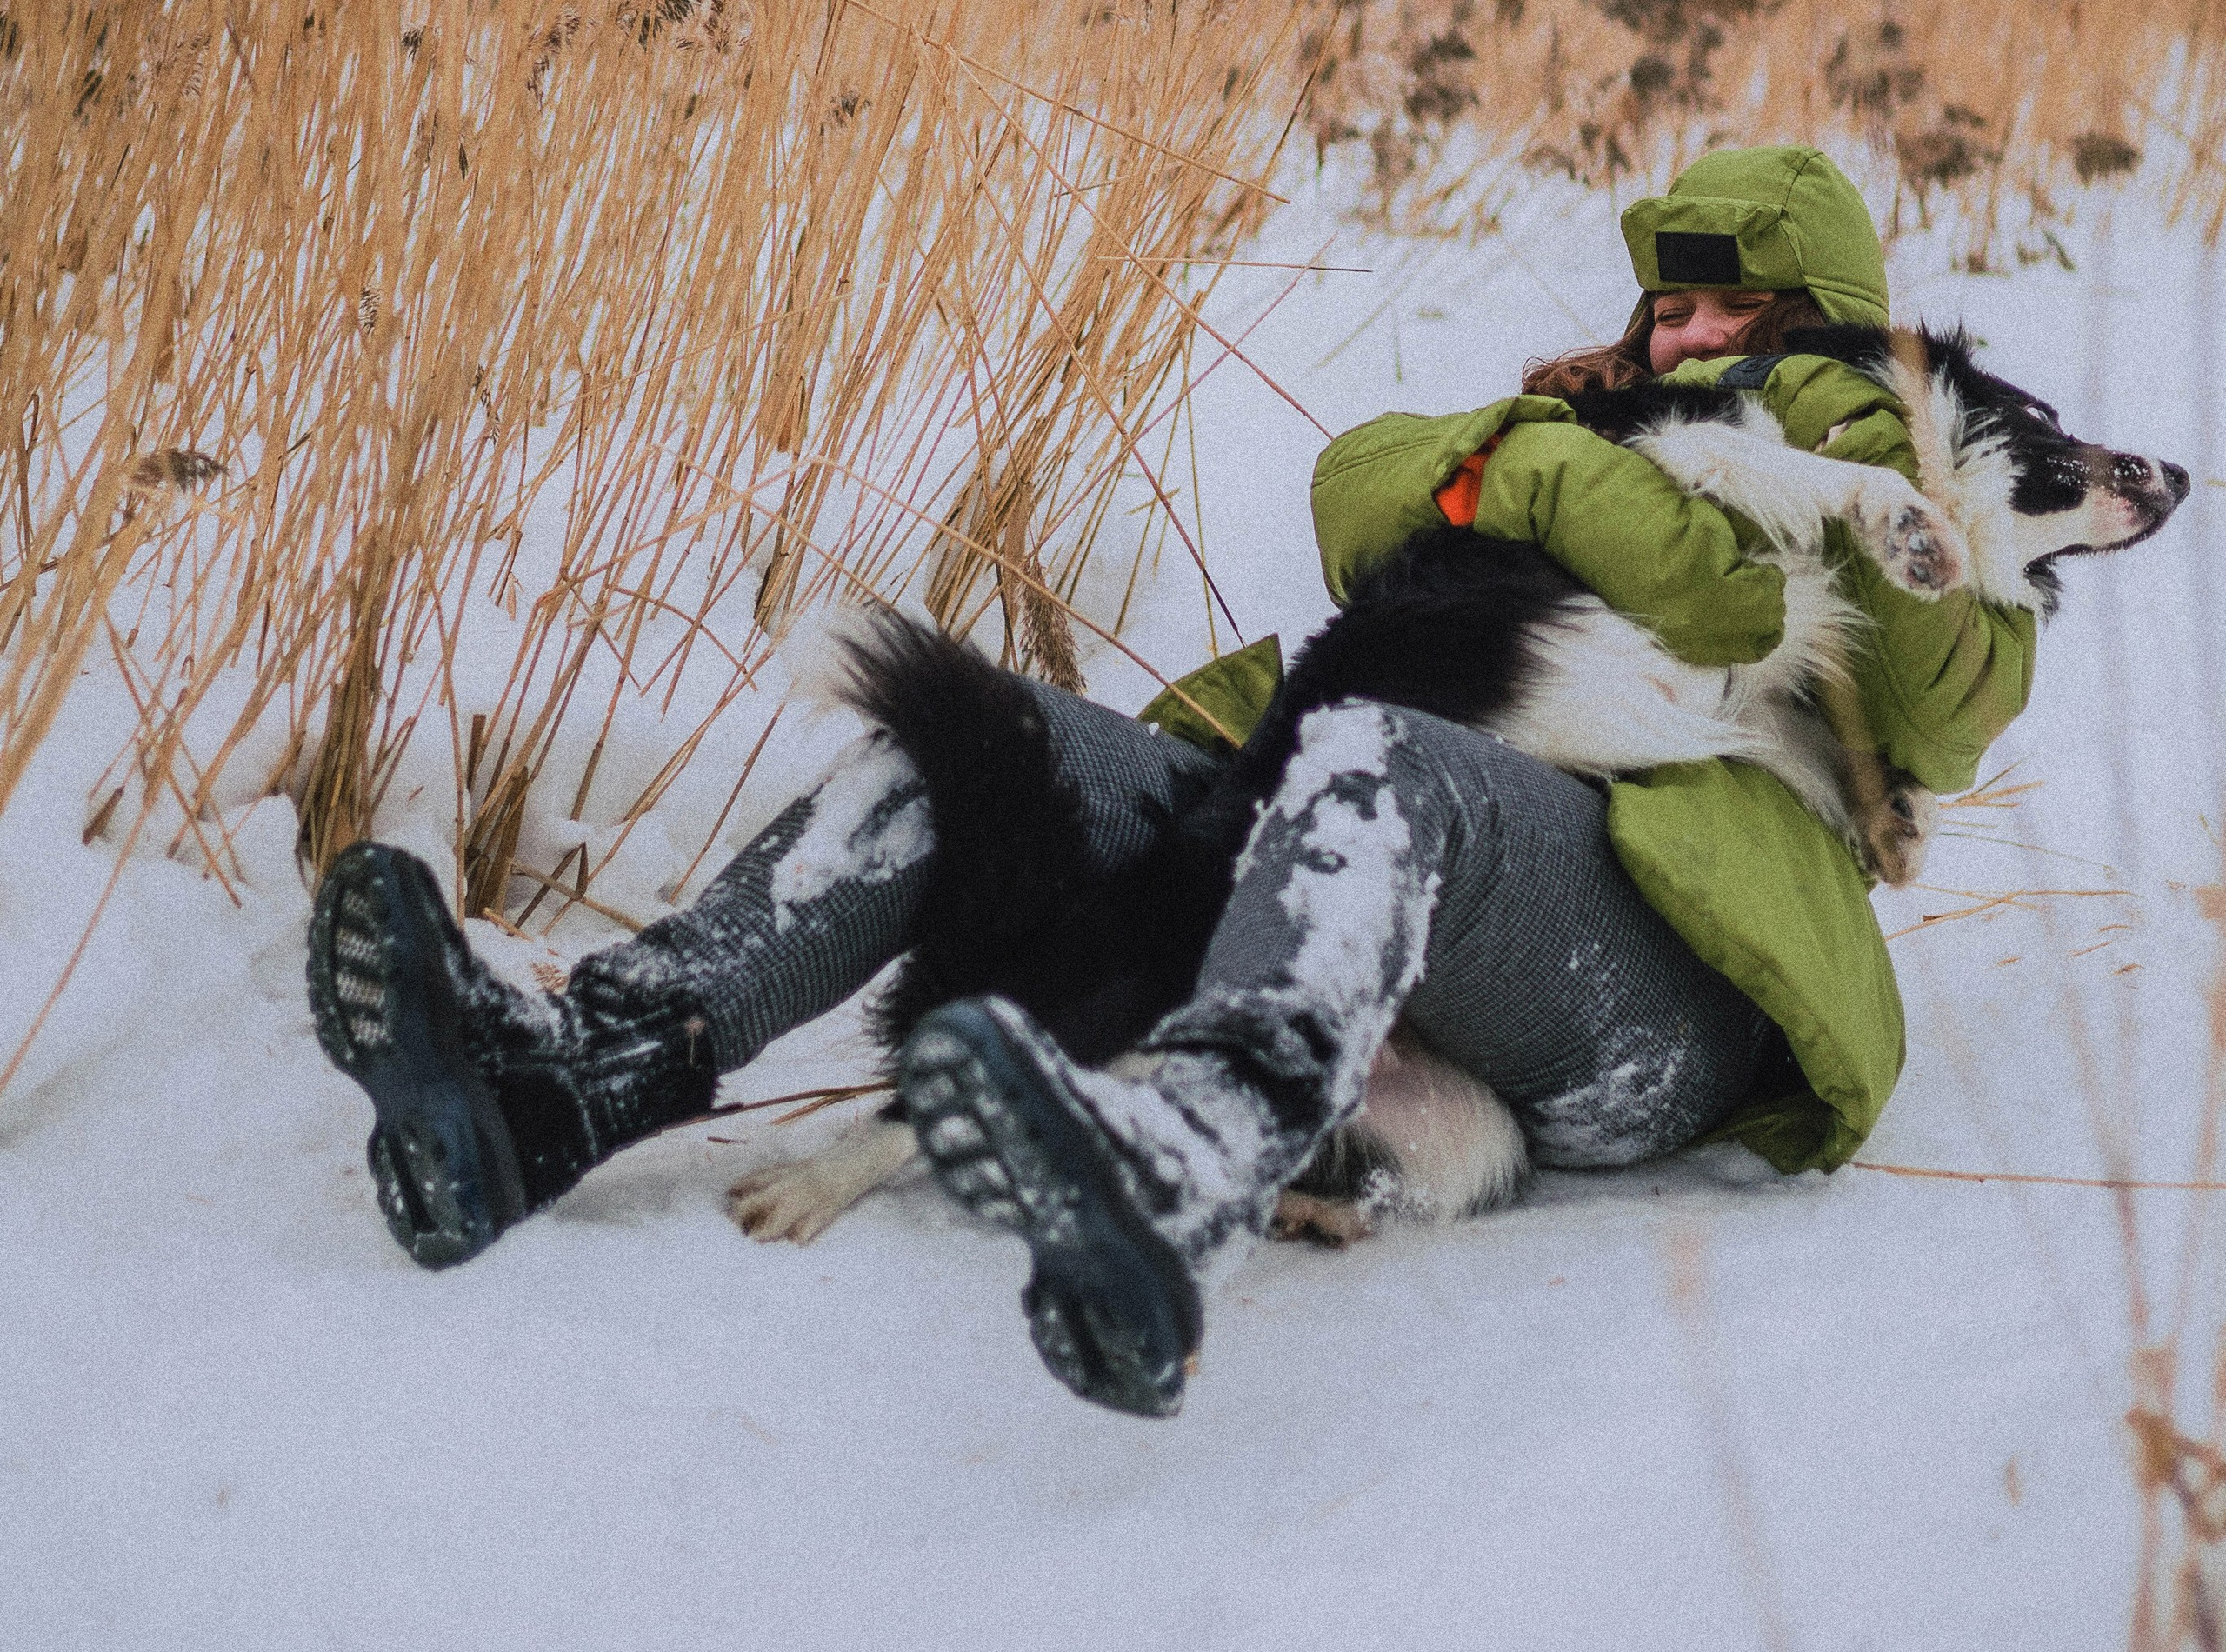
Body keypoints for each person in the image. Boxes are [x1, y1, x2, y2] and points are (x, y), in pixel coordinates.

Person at [308, 143, 2035, 1416]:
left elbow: (1951, 700)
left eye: (1738, 309)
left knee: (1377, 761)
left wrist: (1876, 447)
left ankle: (1192, 1143)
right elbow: (1362, 497)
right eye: (1666, 305)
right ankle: (576, 1068)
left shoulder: (1922, 499)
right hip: (1332, 859)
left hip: (1636, 989)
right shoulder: (1583, 444)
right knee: (978, 745)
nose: (1684, 336)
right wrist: (1559, 470)